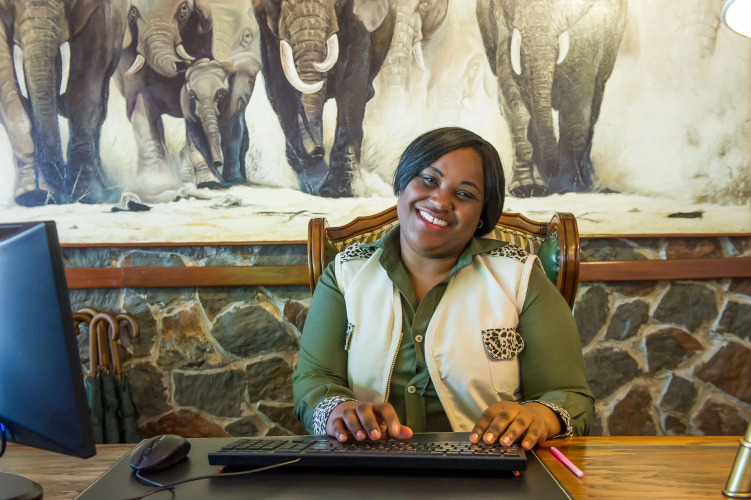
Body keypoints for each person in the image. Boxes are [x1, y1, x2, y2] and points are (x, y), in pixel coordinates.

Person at [293, 127, 594, 450]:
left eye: (464, 194)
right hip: (367, 465)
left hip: (491, 469)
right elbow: (315, 380)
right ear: (403, 183)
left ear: (482, 214)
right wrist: (337, 411)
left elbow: (569, 396)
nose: (440, 201)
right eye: (429, 180)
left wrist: (539, 416)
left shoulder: (520, 277)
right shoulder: (345, 273)